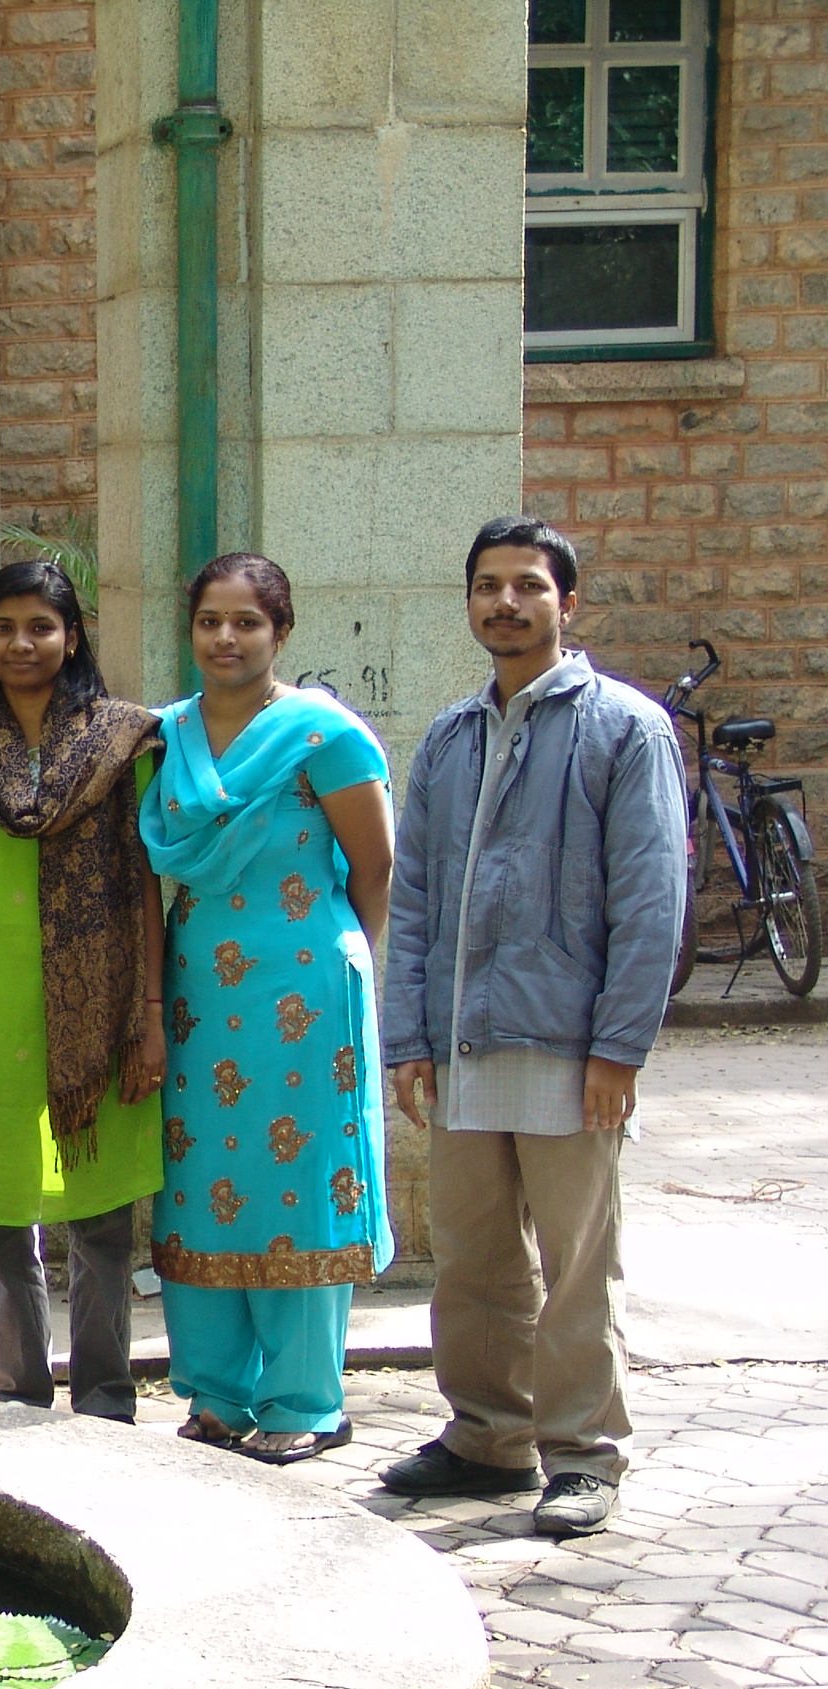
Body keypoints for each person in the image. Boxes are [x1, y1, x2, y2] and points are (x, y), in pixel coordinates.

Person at [377, 515, 688, 1538]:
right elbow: (415, 899)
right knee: (474, 1264)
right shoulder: (452, 737)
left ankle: (585, 1454)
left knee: (577, 1266)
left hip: (570, 1051)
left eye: (528, 585)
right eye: (487, 586)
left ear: (568, 603)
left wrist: (619, 1049)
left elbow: (651, 902)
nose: (505, 603)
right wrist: (409, 1038)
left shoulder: (626, 730)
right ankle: (487, 1437)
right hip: (463, 1047)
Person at [141, 552, 396, 1463]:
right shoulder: (166, 738)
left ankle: (304, 1404)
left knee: (302, 1185)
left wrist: (345, 970)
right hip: (199, 998)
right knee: (203, 1186)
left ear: (280, 633)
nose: (226, 637)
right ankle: (216, 1397)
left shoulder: (325, 736)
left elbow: (376, 867)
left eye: (247, 621)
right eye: (210, 620)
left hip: (307, 997)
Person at [0, 558, 166, 1420]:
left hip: (98, 1007)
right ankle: (20, 1394)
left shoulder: (124, 742)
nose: (20, 643)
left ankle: (105, 1400)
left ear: (72, 637)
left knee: (100, 1221)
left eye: (40, 626)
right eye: (2, 628)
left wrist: (149, 1014)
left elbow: (143, 888)